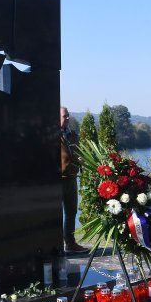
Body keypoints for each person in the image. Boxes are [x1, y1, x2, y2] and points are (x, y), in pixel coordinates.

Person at [60, 107, 88, 253]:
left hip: (71, 178)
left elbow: (77, 153)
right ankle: (54, 247)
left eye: (69, 115)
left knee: (71, 212)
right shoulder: (50, 134)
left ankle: (70, 244)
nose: (68, 118)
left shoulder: (72, 134)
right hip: (57, 180)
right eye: (65, 116)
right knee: (54, 214)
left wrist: (82, 161)